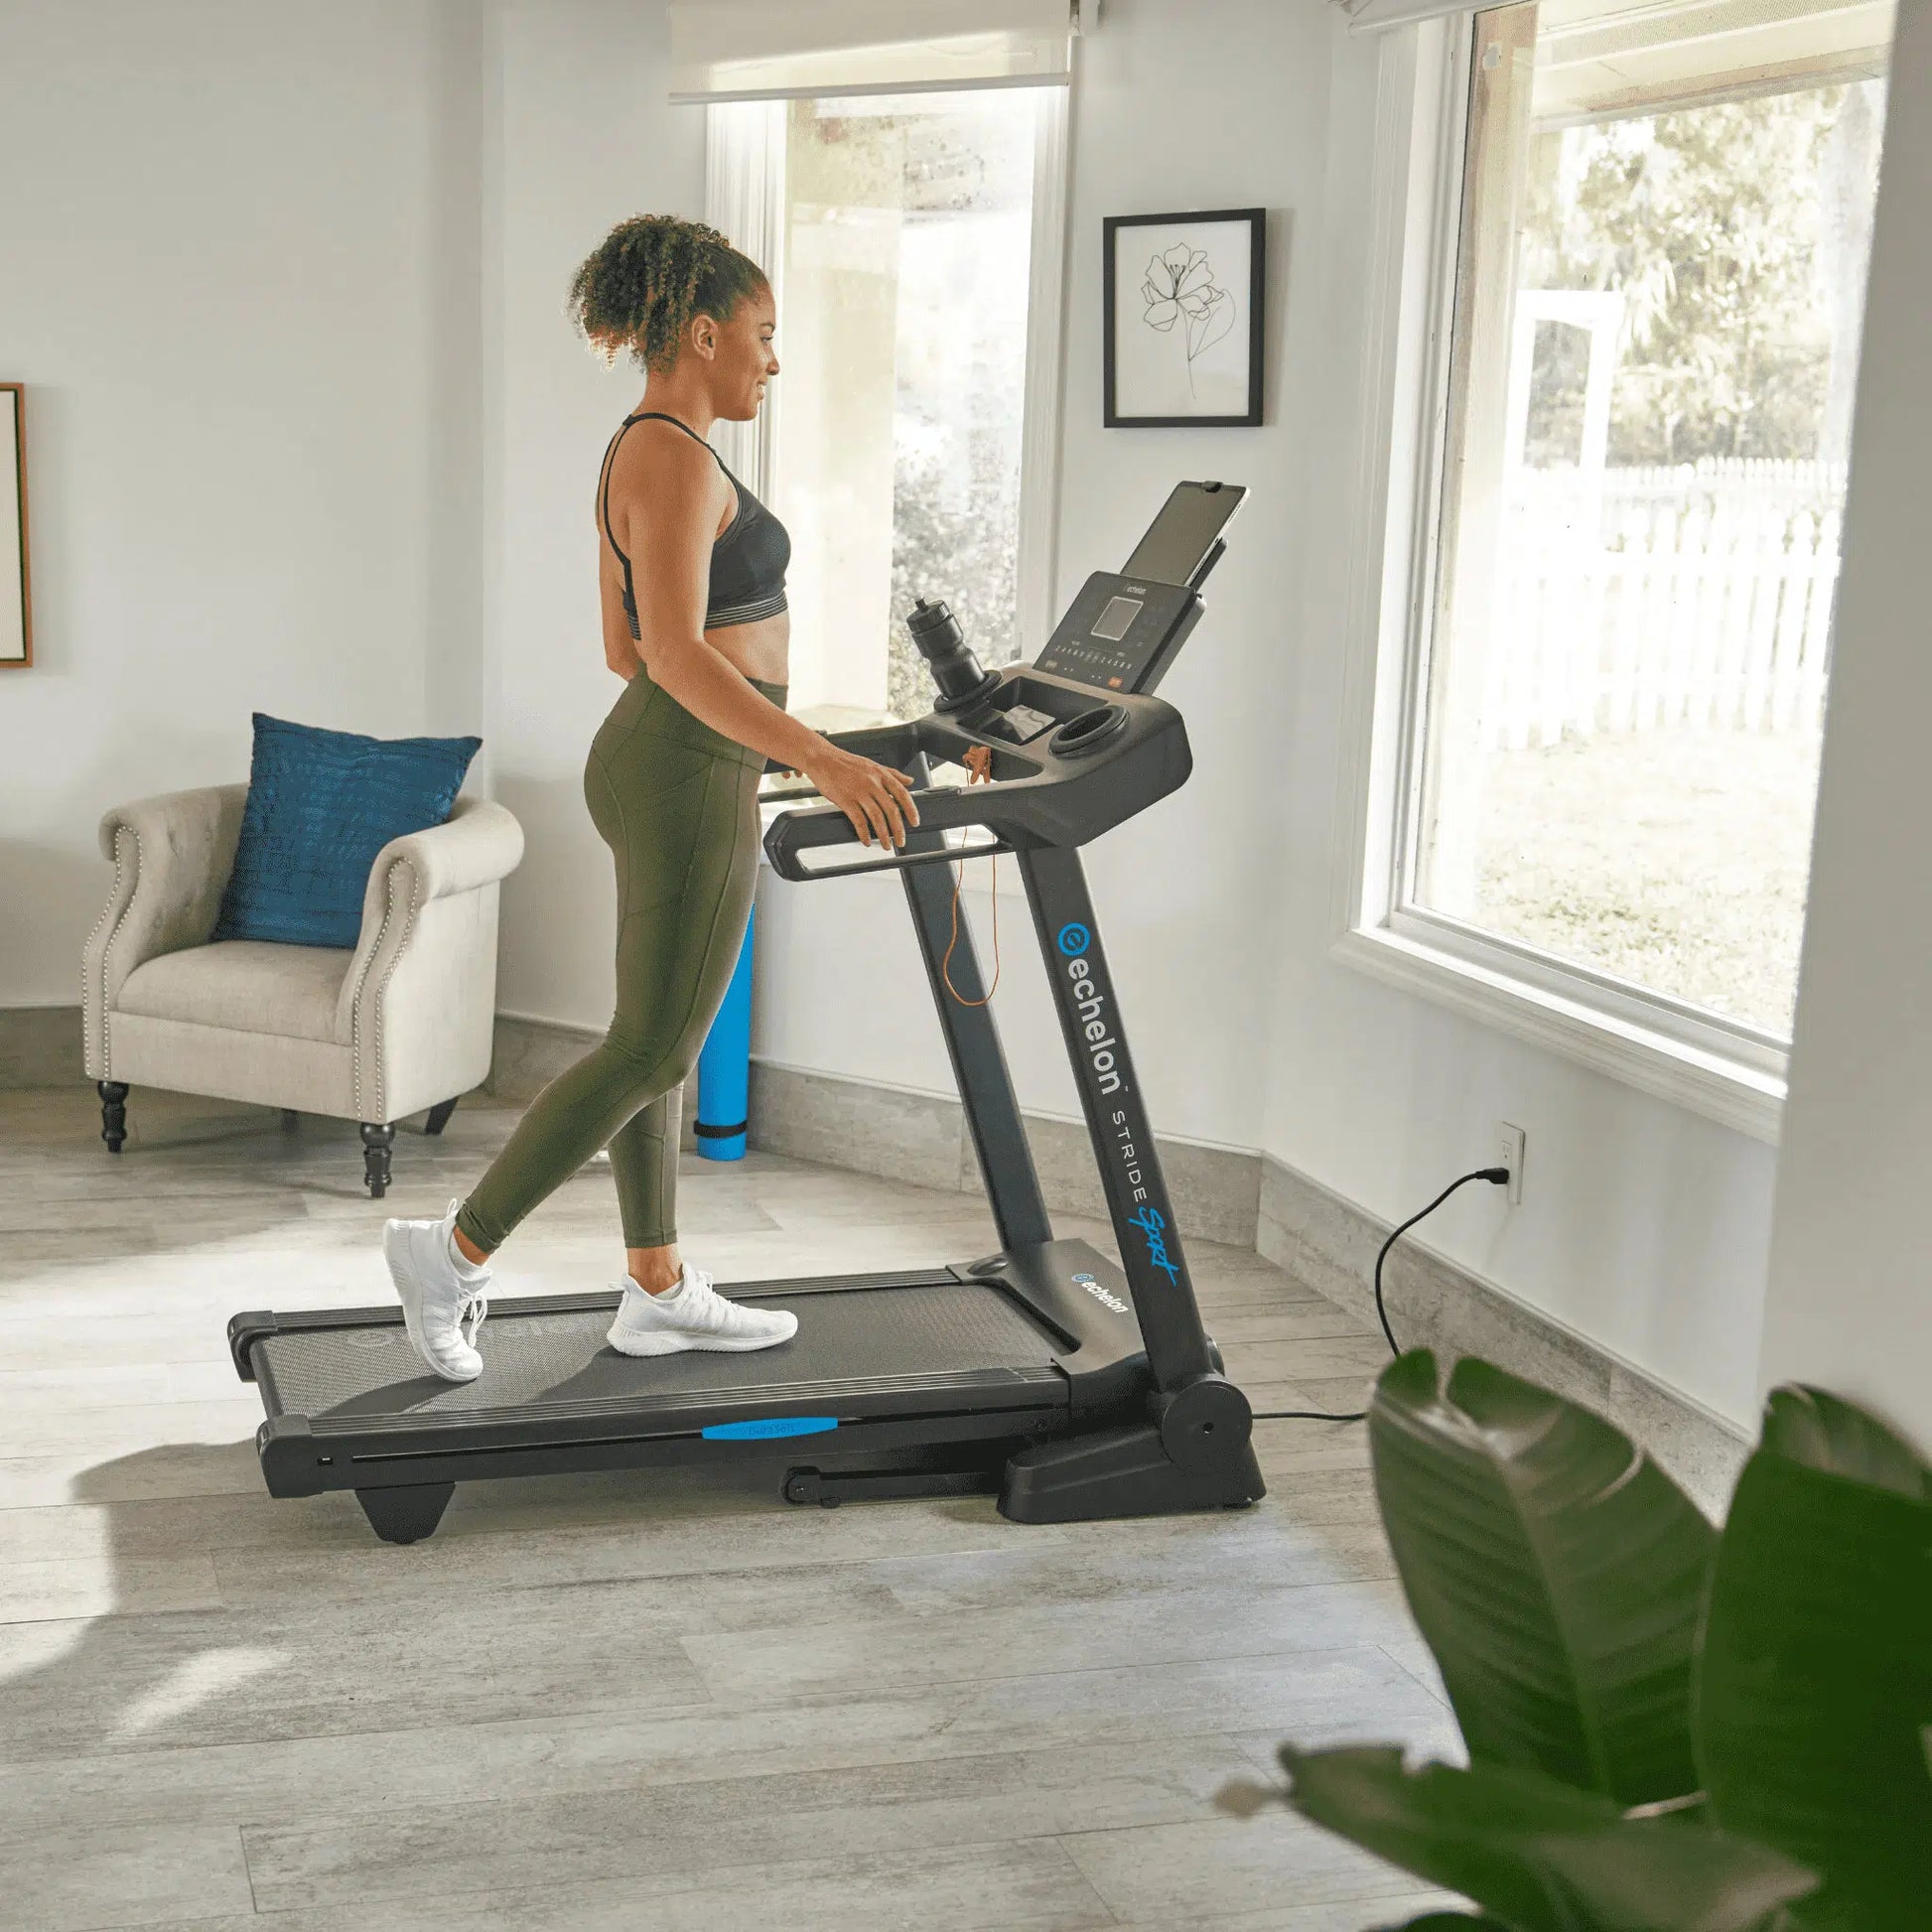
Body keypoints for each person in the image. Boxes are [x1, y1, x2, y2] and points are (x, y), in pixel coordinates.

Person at [382, 214, 919, 1382]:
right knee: (652, 1043)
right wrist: (816, 754)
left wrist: (764, 732)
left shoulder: (644, 446)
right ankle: (452, 1250)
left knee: (654, 1042)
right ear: (704, 330)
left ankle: (658, 1285)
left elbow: (624, 648)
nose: (773, 364)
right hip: (681, 762)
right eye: (765, 338)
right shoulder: (672, 451)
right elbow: (672, 654)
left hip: (662, 754)